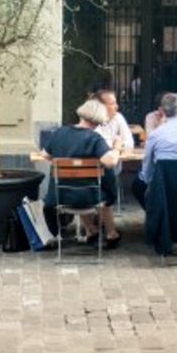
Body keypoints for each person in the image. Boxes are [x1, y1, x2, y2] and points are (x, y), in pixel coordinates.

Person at [40, 99, 122, 248]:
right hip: (90, 197)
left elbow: (45, 154)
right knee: (104, 183)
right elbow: (110, 161)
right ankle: (111, 234)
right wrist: (116, 147)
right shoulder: (94, 138)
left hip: (60, 196)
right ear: (99, 120)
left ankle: (92, 230)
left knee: (80, 182)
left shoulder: (60, 132)